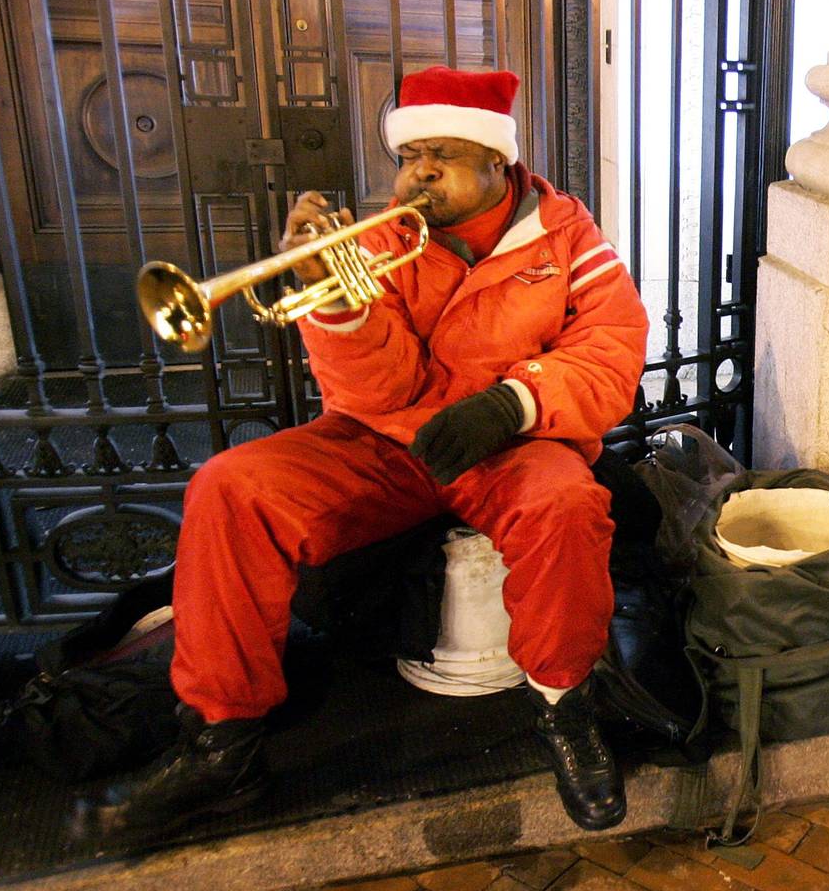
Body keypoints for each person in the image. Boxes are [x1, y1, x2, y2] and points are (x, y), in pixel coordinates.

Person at [77, 66, 649, 837]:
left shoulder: (568, 236)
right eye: (410, 155)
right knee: (230, 487)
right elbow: (376, 391)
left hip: (515, 441)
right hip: (389, 442)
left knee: (568, 503)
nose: (420, 173)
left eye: (441, 154)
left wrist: (516, 400)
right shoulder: (382, 240)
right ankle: (222, 747)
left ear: (497, 161)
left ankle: (566, 707)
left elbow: (613, 352)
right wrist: (337, 301)